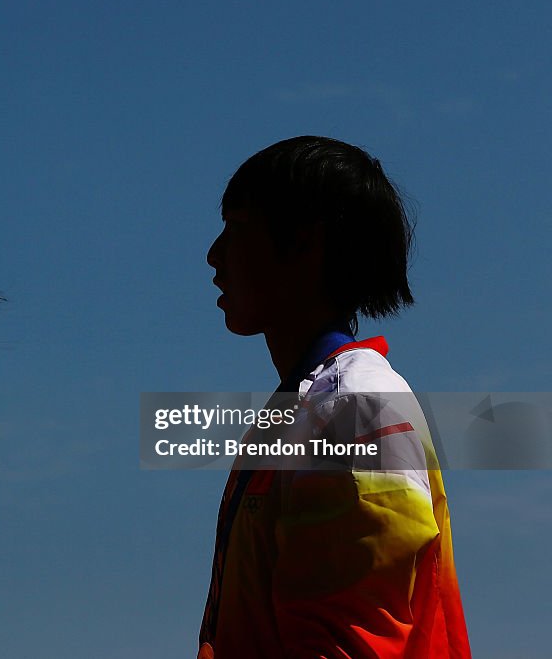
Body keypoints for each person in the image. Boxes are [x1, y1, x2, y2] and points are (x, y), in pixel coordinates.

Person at [198, 137, 471, 658]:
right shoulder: (310, 407)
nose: (214, 255)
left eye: (236, 227)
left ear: (305, 242)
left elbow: (351, 643)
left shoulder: (354, 407)